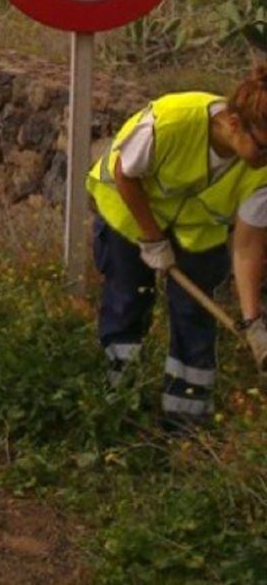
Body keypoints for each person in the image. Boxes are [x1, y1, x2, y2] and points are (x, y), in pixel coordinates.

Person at [86, 64, 267, 429]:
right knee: (128, 301)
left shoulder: (262, 171)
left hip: (196, 236)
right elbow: (125, 174)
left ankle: (186, 425)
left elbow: (248, 247)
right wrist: (152, 238)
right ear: (235, 123)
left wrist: (253, 322)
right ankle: (120, 408)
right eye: (264, 147)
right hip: (127, 218)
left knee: (194, 317)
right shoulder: (174, 120)